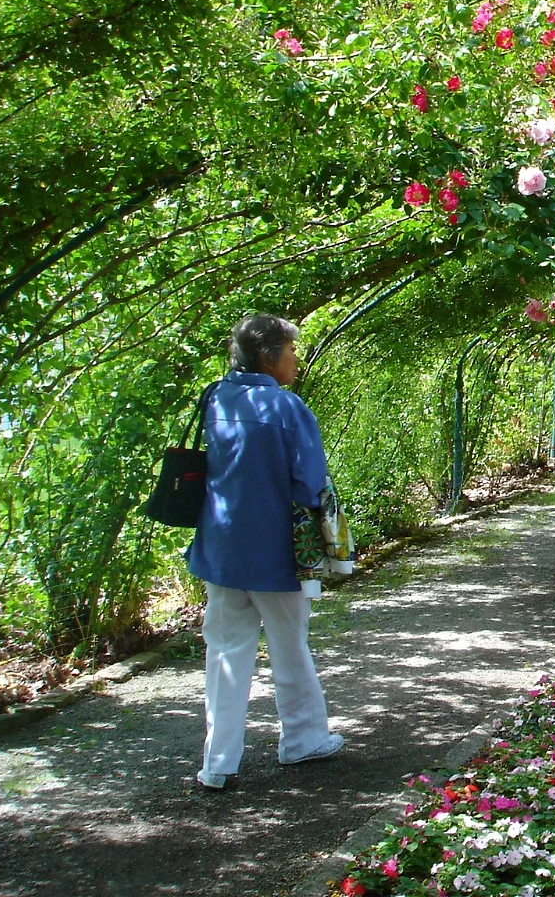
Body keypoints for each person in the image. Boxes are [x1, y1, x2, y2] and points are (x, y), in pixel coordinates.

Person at [186, 313, 343, 790]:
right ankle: (302, 740)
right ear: (268, 356)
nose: (296, 359)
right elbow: (310, 481)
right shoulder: (287, 407)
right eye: (291, 350)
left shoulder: (216, 396)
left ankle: (217, 763)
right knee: (288, 644)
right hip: (277, 551)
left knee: (226, 652)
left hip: (221, 547)